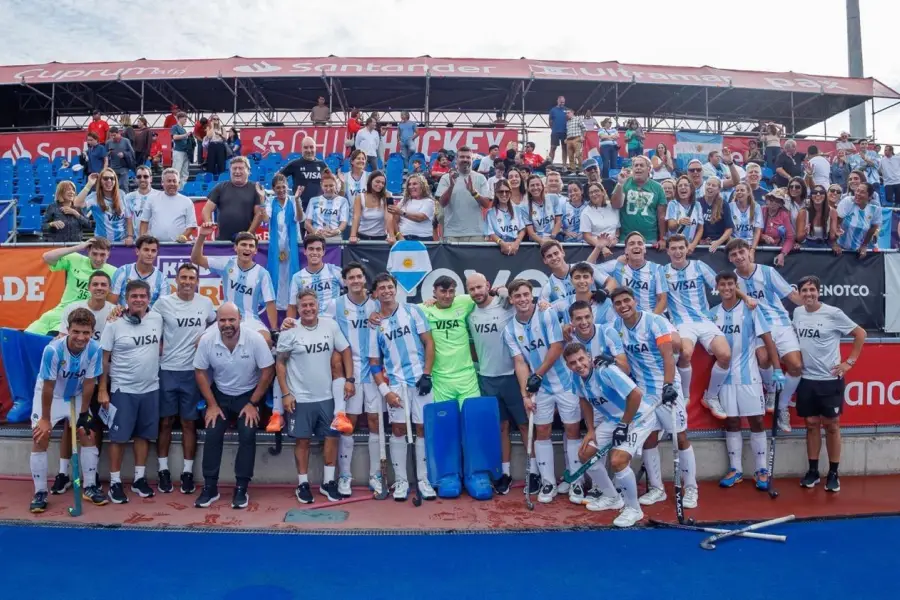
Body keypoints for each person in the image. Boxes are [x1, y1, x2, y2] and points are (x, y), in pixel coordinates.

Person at [603, 287, 698, 511]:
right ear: (614, 307)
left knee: (680, 437)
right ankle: (656, 488)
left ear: (635, 301)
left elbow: (668, 357)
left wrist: (668, 386)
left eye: (627, 301)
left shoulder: (655, 322)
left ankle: (691, 488)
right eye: (618, 303)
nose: (623, 306)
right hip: (643, 393)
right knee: (649, 439)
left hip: (667, 389)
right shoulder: (615, 328)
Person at [503, 279, 584, 504]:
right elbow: (519, 362)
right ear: (511, 299)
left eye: (526, 294)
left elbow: (557, 347)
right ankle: (549, 482)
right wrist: (525, 394)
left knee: (572, 431)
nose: (522, 299)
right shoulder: (509, 329)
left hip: (565, 383)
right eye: (517, 296)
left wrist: (537, 374)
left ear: (532, 295)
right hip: (540, 389)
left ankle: (576, 480)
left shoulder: (546, 315)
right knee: (543, 432)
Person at [564, 342, 657, 527]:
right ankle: (612, 497)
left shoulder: (607, 372)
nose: (578, 365)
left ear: (589, 357)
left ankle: (633, 509)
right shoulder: (577, 378)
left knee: (618, 460)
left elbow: (636, 395)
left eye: (581, 359)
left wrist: (624, 425)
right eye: (573, 362)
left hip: (638, 418)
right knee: (585, 454)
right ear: (568, 366)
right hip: (614, 420)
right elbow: (584, 401)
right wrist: (590, 429)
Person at [193, 303, 275, 509]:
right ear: (217, 322)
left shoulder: (255, 339)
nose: (227, 324)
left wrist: (252, 403)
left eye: (232, 320)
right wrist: (211, 404)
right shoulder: (208, 340)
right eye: (222, 320)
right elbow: (200, 372)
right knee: (212, 433)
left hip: (248, 395)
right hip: (220, 395)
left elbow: (268, 371)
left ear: (240, 319)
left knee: (248, 433)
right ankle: (210, 487)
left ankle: (241, 487)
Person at [277, 289, 353, 504]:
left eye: (311, 304)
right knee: (302, 441)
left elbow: (345, 350)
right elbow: (280, 363)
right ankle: (302, 483)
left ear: (317, 305)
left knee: (331, 438)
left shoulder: (330, 325)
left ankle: (328, 483)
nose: (308, 309)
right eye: (304, 306)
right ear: (298, 308)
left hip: (327, 396)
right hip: (300, 398)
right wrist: (285, 393)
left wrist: (350, 379)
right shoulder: (290, 330)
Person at [367, 273, 437, 501]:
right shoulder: (374, 324)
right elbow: (374, 363)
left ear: (395, 289)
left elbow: (429, 343)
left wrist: (426, 374)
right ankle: (401, 481)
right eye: (381, 288)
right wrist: (386, 392)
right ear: (375, 293)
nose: (386, 291)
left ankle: (424, 480)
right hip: (396, 385)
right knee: (397, 430)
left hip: (420, 382)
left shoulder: (413, 311)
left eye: (390, 287)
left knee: (422, 429)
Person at [28, 308, 106, 513]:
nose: (81, 337)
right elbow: (48, 386)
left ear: (92, 332)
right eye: (77, 332)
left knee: (87, 433)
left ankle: (90, 487)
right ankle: (40, 492)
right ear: (68, 330)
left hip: (78, 393)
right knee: (40, 435)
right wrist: (45, 418)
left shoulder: (95, 350)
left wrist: (83, 414)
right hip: (51, 396)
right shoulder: (53, 350)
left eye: (86, 332)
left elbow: (90, 383)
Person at [793, 276, 866, 493]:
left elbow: (860, 333)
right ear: (799, 293)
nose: (808, 294)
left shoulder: (833, 313)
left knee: (832, 426)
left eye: (812, 290)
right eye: (804, 290)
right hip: (806, 380)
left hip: (830, 381)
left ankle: (833, 473)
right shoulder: (797, 313)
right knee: (811, 424)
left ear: (818, 292)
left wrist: (849, 363)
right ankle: (813, 471)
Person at [151, 264, 216, 495]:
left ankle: (187, 472)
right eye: (184, 277)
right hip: (167, 369)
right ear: (176, 280)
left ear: (197, 281)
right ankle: (163, 470)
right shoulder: (162, 303)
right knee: (165, 422)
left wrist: (206, 335)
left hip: (193, 372)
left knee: (189, 423)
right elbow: (150, 326)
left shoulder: (205, 303)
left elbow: (216, 322)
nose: (188, 281)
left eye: (192, 278)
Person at [727, 238, 804, 432]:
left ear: (749, 252)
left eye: (741, 252)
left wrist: (816, 309)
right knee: (763, 358)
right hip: (754, 328)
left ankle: (782, 405)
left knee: (795, 366)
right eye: (734, 254)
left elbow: (792, 296)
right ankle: (771, 391)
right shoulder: (732, 281)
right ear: (730, 258)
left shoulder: (767, 272)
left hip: (779, 322)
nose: (738, 257)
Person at [712, 271, 780, 490]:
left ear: (736, 286)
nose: (727, 288)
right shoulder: (711, 314)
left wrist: (777, 369)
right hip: (726, 379)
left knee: (756, 421)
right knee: (731, 422)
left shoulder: (751, 310)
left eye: (730, 284)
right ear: (717, 287)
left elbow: (768, 340)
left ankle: (761, 469)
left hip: (749, 376)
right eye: (722, 285)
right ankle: (736, 469)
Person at [320, 263, 383, 496]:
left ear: (364, 280)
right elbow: (321, 329)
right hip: (351, 372)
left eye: (359, 276)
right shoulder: (335, 305)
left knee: (376, 423)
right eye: (351, 277)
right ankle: (345, 476)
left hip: (375, 371)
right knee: (350, 425)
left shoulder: (377, 303)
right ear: (344, 281)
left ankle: (376, 474)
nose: (356, 280)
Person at [99, 280, 164, 504]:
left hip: (151, 388)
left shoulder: (157, 318)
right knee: (117, 438)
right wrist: (103, 390)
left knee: (143, 435)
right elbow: (103, 360)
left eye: (142, 296)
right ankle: (115, 482)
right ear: (127, 299)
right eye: (134, 296)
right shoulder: (114, 324)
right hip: (122, 389)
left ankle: (139, 479)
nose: (138, 300)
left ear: (149, 299)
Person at [465, 274, 528, 495]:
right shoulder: (470, 314)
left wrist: (503, 291)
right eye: (471, 289)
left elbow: (518, 298)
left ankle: (536, 471)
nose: (476, 292)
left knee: (524, 426)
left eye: (479, 287)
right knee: (501, 428)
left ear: (488, 286)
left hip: (512, 376)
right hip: (488, 379)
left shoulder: (506, 305)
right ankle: (504, 474)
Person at [663, 235, 733, 415]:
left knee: (725, 355)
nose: (678, 252)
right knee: (685, 353)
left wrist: (746, 298)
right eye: (674, 248)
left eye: (681, 247)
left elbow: (722, 285)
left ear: (687, 248)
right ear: (668, 251)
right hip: (682, 322)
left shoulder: (699, 266)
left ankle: (710, 397)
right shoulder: (662, 272)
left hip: (704, 320)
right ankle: (685, 396)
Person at [192, 228, 277, 341]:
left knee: (266, 341)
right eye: (243, 245)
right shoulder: (227, 264)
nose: (247, 248)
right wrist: (202, 236)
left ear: (255, 250)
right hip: (226, 318)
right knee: (200, 342)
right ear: (236, 248)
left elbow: (270, 303)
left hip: (250, 319)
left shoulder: (262, 273)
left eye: (251, 246)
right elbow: (196, 259)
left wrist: (274, 330)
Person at [25, 238, 114, 336]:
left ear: (108, 254)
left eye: (102, 255)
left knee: (51, 338)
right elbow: (47, 257)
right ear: (88, 252)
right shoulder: (76, 259)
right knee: (27, 335)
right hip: (59, 311)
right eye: (94, 254)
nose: (98, 259)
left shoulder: (114, 272)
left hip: (80, 317)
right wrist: (78, 247)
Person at [417, 276, 480, 406]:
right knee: (447, 424)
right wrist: (374, 314)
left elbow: (486, 294)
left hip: (467, 378)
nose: (447, 295)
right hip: (441, 380)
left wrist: (500, 289)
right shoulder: (423, 309)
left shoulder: (464, 302)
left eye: (451, 291)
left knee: (472, 422)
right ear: (434, 292)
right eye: (443, 291)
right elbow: (394, 310)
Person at [261, 174, 304, 313]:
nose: (281, 190)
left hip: (291, 245)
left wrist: (297, 200)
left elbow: (299, 218)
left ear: (288, 187)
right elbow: (266, 219)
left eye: (283, 187)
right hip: (276, 246)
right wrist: (262, 199)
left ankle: (291, 305)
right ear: (273, 189)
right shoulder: (270, 202)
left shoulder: (293, 200)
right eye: (278, 187)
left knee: (291, 274)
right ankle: (278, 306)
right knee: (277, 274)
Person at [201, 156, 265, 242]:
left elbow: (259, 214)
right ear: (230, 171)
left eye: (241, 168)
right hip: (222, 240)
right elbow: (206, 209)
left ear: (248, 171)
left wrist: (248, 235)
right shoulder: (220, 187)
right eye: (234, 168)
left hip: (246, 241)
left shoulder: (256, 188)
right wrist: (208, 222)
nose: (237, 171)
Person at [437, 146, 492, 242]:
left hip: (476, 233)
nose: (465, 159)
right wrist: (451, 187)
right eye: (462, 157)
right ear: (456, 159)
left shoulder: (481, 178)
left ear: (472, 159)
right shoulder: (446, 178)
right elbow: (442, 203)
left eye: (468, 157)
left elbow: (486, 204)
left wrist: (474, 193)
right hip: (452, 233)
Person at [611, 156, 667, 248]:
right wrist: (620, 184)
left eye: (641, 165)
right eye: (636, 165)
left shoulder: (658, 188)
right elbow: (616, 205)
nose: (638, 167)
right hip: (626, 238)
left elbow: (661, 216)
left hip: (650, 239)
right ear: (632, 169)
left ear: (649, 169)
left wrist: (662, 238)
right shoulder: (624, 183)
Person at [538, 240, 612, 304]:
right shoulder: (548, 287)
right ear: (545, 261)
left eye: (556, 253)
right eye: (549, 256)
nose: (554, 258)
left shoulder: (584, 266)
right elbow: (542, 311)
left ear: (562, 253)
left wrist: (605, 292)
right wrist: (544, 306)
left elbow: (612, 281)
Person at [287, 235, 344, 319]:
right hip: (308, 324)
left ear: (323, 252)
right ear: (305, 251)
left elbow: (353, 291)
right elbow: (292, 306)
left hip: (333, 323)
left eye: (318, 249)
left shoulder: (335, 271)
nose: (314, 252)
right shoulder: (297, 277)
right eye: (311, 249)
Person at [610, 232, 667, 314]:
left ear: (644, 249)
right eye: (632, 244)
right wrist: (599, 247)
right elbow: (589, 267)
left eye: (640, 243)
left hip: (651, 316)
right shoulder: (617, 267)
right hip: (626, 317)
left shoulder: (656, 269)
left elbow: (663, 299)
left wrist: (651, 319)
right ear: (626, 250)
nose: (636, 246)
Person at [75, 169, 133, 243]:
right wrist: (89, 184)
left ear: (115, 181)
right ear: (100, 182)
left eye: (112, 178)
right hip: (102, 242)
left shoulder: (122, 194)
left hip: (121, 242)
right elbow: (77, 203)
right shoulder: (94, 196)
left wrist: (130, 236)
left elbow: (128, 218)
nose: (109, 180)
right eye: (105, 178)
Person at [139, 169, 197, 242]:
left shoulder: (187, 201)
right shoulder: (152, 199)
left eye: (174, 181)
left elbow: (191, 226)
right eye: (169, 181)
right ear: (162, 183)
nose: (172, 184)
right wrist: (142, 242)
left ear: (178, 183)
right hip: (154, 247)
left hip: (178, 247)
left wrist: (181, 238)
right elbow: (144, 222)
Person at [109, 235, 167, 307]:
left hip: (150, 317)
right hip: (123, 316)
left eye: (153, 251)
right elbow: (111, 304)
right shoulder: (122, 272)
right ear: (137, 251)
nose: (150, 254)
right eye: (146, 250)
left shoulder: (162, 279)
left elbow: (163, 307)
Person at [58, 271, 115, 342]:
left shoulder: (115, 312)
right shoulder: (71, 308)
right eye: (95, 284)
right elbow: (63, 338)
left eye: (103, 285)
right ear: (88, 287)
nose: (99, 288)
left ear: (110, 289)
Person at [280, 137, 328, 210]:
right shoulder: (295, 164)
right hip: (300, 208)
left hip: (319, 207)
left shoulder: (322, 165)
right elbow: (277, 178)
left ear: (315, 148)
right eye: (306, 147)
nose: (309, 150)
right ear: (301, 149)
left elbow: (331, 181)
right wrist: (285, 191)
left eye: (311, 147)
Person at [834, 182, 881, 257]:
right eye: (857, 190)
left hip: (857, 251)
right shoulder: (848, 201)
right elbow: (835, 222)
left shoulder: (875, 209)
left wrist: (864, 245)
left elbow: (873, 228)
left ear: (870, 196)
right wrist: (834, 243)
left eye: (862, 192)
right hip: (839, 249)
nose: (858, 194)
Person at [389, 173, 436, 241]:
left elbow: (420, 218)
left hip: (422, 238)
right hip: (404, 238)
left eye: (414, 184)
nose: (411, 186)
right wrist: (398, 235)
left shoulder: (429, 201)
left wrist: (402, 212)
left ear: (422, 186)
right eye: (409, 184)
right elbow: (395, 220)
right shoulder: (403, 201)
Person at [304, 172, 349, 242]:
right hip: (316, 238)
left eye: (331, 186)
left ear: (336, 185)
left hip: (335, 239)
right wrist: (315, 232)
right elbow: (307, 223)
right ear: (321, 186)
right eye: (325, 186)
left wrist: (336, 231)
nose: (328, 189)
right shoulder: (313, 200)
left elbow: (344, 223)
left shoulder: (343, 201)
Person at [483, 179, 525, 254]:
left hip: (516, 248)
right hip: (498, 249)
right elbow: (490, 232)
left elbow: (522, 229)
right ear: (496, 193)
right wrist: (501, 243)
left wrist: (517, 242)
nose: (504, 194)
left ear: (510, 193)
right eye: (501, 191)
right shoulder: (490, 212)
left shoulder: (517, 209)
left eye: (507, 191)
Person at [350, 169, 391, 242]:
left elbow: (389, 217)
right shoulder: (359, 197)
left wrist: (391, 235)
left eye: (383, 183)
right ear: (370, 181)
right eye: (377, 182)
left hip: (381, 237)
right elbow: (356, 217)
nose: (380, 185)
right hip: (362, 237)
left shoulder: (387, 196)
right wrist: (353, 235)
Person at [580, 182, 619, 257]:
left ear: (603, 192)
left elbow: (617, 229)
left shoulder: (613, 207)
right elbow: (586, 236)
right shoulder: (586, 212)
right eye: (591, 192)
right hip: (595, 250)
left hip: (614, 249)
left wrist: (616, 239)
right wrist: (602, 248)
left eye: (596, 191)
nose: (594, 194)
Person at [665, 175, 703, 250]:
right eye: (680, 186)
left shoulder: (697, 205)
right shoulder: (673, 204)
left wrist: (693, 245)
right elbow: (671, 227)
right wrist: (679, 222)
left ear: (691, 189)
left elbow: (700, 228)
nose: (683, 187)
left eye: (686, 185)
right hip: (675, 246)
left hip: (690, 246)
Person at [699, 176, 735, 253]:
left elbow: (729, 228)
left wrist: (718, 242)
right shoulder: (697, 202)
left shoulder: (724, 204)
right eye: (708, 184)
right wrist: (699, 240)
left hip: (719, 245)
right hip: (700, 245)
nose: (710, 187)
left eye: (713, 185)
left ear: (719, 189)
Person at [760, 188, 795, 267]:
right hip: (759, 250)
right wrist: (763, 236)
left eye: (778, 201)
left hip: (776, 250)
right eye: (772, 199)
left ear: (781, 204)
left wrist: (782, 253)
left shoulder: (784, 215)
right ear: (767, 200)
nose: (774, 203)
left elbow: (790, 238)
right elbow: (753, 232)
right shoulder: (760, 210)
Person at [522, 174, 561, 244]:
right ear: (528, 188)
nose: (535, 187)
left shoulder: (553, 198)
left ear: (542, 186)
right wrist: (542, 242)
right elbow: (531, 232)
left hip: (553, 238)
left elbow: (558, 221)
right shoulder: (525, 207)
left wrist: (552, 237)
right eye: (532, 185)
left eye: (538, 185)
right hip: (536, 242)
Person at [729, 182, 763, 249]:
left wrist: (752, 250)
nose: (739, 192)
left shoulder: (756, 207)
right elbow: (727, 230)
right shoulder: (730, 206)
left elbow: (757, 231)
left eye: (742, 190)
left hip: (750, 245)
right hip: (734, 244)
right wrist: (734, 246)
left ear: (748, 193)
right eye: (737, 190)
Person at [340, 150, 369, 227]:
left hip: (367, 221)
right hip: (349, 220)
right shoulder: (344, 177)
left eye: (363, 159)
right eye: (358, 158)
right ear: (352, 161)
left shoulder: (370, 177)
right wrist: (342, 184)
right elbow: (340, 198)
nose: (361, 160)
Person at [105, 126, 135, 191]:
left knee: (123, 186)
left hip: (123, 168)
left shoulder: (126, 141)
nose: (113, 137)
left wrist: (124, 154)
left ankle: (125, 200)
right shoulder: (108, 142)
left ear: (119, 133)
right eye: (111, 136)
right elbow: (105, 154)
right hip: (113, 168)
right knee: (113, 187)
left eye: (114, 135)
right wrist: (108, 153)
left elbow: (132, 153)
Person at [170, 112, 192, 188]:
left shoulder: (183, 129)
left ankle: (182, 187)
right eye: (185, 119)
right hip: (178, 151)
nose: (186, 121)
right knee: (176, 170)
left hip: (185, 151)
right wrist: (185, 135)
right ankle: (174, 187)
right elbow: (175, 137)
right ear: (180, 118)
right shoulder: (175, 127)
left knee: (185, 171)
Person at [548, 96, 568, 165]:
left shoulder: (567, 110)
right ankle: (550, 164)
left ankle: (564, 165)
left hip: (564, 132)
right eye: (561, 102)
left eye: (563, 102)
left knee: (564, 148)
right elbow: (550, 121)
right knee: (553, 148)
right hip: (555, 132)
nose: (562, 103)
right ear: (557, 101)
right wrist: (553, 129)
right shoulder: (553, 110)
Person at [564, 109, 585, 173]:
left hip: (577, 138)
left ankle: (581, 171)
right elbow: (568, 131)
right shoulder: (567, 122)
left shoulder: (578, 119)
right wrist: (566, 139)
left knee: (578, 155)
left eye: (568, 113)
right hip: (569, 140)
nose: (567, 114)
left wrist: (582, 136)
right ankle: (573, 171)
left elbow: (584, 128)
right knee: (570, 156)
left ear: (572, 112)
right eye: (566, 113)